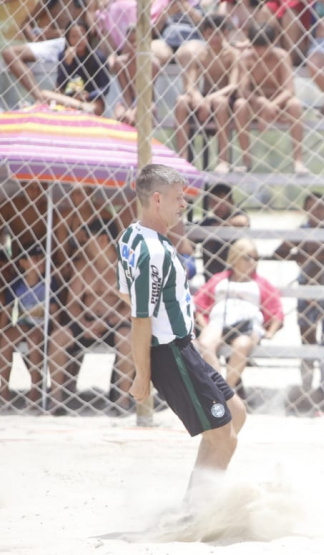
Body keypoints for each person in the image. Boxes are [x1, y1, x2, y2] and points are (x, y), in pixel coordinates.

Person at [116, 164, 246, 490]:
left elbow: (125, 292)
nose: (184, 205)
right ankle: (198, 512)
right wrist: (141, 375)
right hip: (170, 352)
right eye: (179, 198)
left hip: (182, 346)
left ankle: (199, 500)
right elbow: (140, 319)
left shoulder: (132, 235)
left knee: (236, 413)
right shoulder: (153, 251)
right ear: (156, 199)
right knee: (223, 437)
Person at [47, 218, 132, 414]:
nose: (84, 243)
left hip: (115, 323)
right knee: (58, 337)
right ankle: (56, 399)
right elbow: (72, 303)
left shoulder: (124, 267)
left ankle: (122, 400)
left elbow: (132, 305)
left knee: (127, 339)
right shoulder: (83, 266)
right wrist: (84, 323)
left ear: (102, 240)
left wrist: (108, 321)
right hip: (85, 321)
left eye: (88, 239)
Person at [194, 239, 283, 397]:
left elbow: (276, 311)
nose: (253, 262)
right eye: (248, 257)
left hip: (247, 326)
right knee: (205, 343)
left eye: (256, 258)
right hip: (219, 322)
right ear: (235, 257)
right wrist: (204, 325)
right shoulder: (220, 279)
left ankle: (224, 393)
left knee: (242, 345)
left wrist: (270, 332)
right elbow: (198, 304)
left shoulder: (261, 284)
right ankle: (217, 386)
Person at [274, 193, 324, 344]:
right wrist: (299, 256)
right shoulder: (302, 232)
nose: (317, 211)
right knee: (307, 335)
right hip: (308, 290)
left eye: (321, 208)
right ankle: (308, 366)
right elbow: (279, 253)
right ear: (306, 210)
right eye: (312, 208)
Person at [235, 21, 308, 174]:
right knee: (239, 104)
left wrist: (270, 106)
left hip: (279, 106)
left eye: (264, 47)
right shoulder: (245, 58)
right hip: (255, 106)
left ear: (272, 43)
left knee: (295, 104)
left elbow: (289, 90)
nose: (260, 52)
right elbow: (242, 90)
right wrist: (262, 103)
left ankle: (298, 161)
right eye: (256, 47)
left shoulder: (281, 56)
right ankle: (246, 160)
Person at [173, 14, 240, 174]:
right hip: (204, 100)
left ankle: (223, 160)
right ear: (204, 34)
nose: (214, 37)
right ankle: (183, 157)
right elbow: (190, 83)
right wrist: (197, 98)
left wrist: (210, 99)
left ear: (225, 33)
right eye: (210, 33)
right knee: (181, 100)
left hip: (224, 101)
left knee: (219, 102)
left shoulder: (232, 54)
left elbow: (233, 85)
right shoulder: (201, 54)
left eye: (218, 33)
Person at [0, 245, 62, 409]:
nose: (40, 262)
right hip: (22, 323)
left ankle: (35, 388)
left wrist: (56, 329)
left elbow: (54, 311)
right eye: (35, 259)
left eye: (42, 258)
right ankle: (4, 388)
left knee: (34, 341)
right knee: (5, 340)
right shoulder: (16, 284)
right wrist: (2, 330)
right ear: (23, 263)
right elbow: (7, 311)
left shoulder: (49, 282)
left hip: (42, 325)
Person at [1, 0, 86, 105]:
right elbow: (26, 24)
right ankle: (40, 97)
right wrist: (35, 38)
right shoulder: (49, 1)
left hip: (73, 46)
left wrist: (55, 33)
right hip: (49, 45)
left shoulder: (84, 3)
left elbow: (87, 31)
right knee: (9, 53)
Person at [40, 18, 110, 115]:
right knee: (44, 94)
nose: (78, 40)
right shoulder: (63, 55)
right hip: (69, 98)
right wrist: (67, 64)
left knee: (94, 109)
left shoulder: (98, 57)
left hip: (90, 100)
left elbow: (105, 87)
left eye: (81, 36)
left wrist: (88, 95)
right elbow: (60, 85)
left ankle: (79, 107)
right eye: (73, 36)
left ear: (88, 36)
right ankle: (79, 107)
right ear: (68, 38)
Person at [109, 25, 162, 127]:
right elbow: (126, 93)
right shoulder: (120, 63)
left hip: (146, 101)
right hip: (127, 100)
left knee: (143, 114)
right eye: (131, 40)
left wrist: (133, 113)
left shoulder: (153, 64)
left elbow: (146, 94)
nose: (134, 44)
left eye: (138, 40)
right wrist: (128, 111)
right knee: (118, 114)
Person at [197, 182, 250, 281]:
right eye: (214, 202)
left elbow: (243, 221)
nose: (218, 207)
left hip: (235, 276)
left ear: (231, 202)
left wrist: (218, 226)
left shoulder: (237, 216)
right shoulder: (207, 222)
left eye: (222, 203)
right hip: (212, 277)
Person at [151, 0, 203, 68]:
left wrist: (190, 11)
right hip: (166, 42)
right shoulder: (161, 3)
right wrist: (166, 14)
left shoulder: (197, 3)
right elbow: (153, 32)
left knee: (187, 54)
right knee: (156, 52)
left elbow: (206, 27)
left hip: (190, 41)